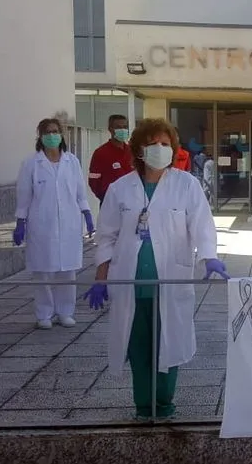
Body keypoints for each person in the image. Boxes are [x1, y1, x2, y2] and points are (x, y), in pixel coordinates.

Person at [82, 118, 229, 420]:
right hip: (131, 284)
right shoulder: (119, 188)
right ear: (138, 149)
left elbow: (202, 226)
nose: (159, 149)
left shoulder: (186, 184)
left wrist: (209, 256)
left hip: (170, 282)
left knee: (168, 344)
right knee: (139, 349)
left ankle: (163, 405)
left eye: (165, 144)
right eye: (152, 144)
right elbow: (107, 235)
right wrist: (101, 276)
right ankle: (142, 406)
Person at [15, 118, 93, 329]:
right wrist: (20, 221)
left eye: (56, 131)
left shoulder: (72, 162)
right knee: (43, 270)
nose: (52, 135)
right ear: (40, 136)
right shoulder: (31, 163)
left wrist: (87, 213)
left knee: (68, 270)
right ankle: (44, 314)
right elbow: (24, 195)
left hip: (69, 223)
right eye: (48, 132)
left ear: (62, 135)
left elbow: (79, 192)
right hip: (41, 224)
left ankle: (65, 311)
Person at [89, 115, 133, 205]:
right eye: (118, 127)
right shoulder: (100, 153)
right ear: (110, 129)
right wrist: (106, 199)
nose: (122, 130)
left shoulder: (132, 152)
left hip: (132, 204)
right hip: (110, 204)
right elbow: (93, 182)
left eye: (125, 127)